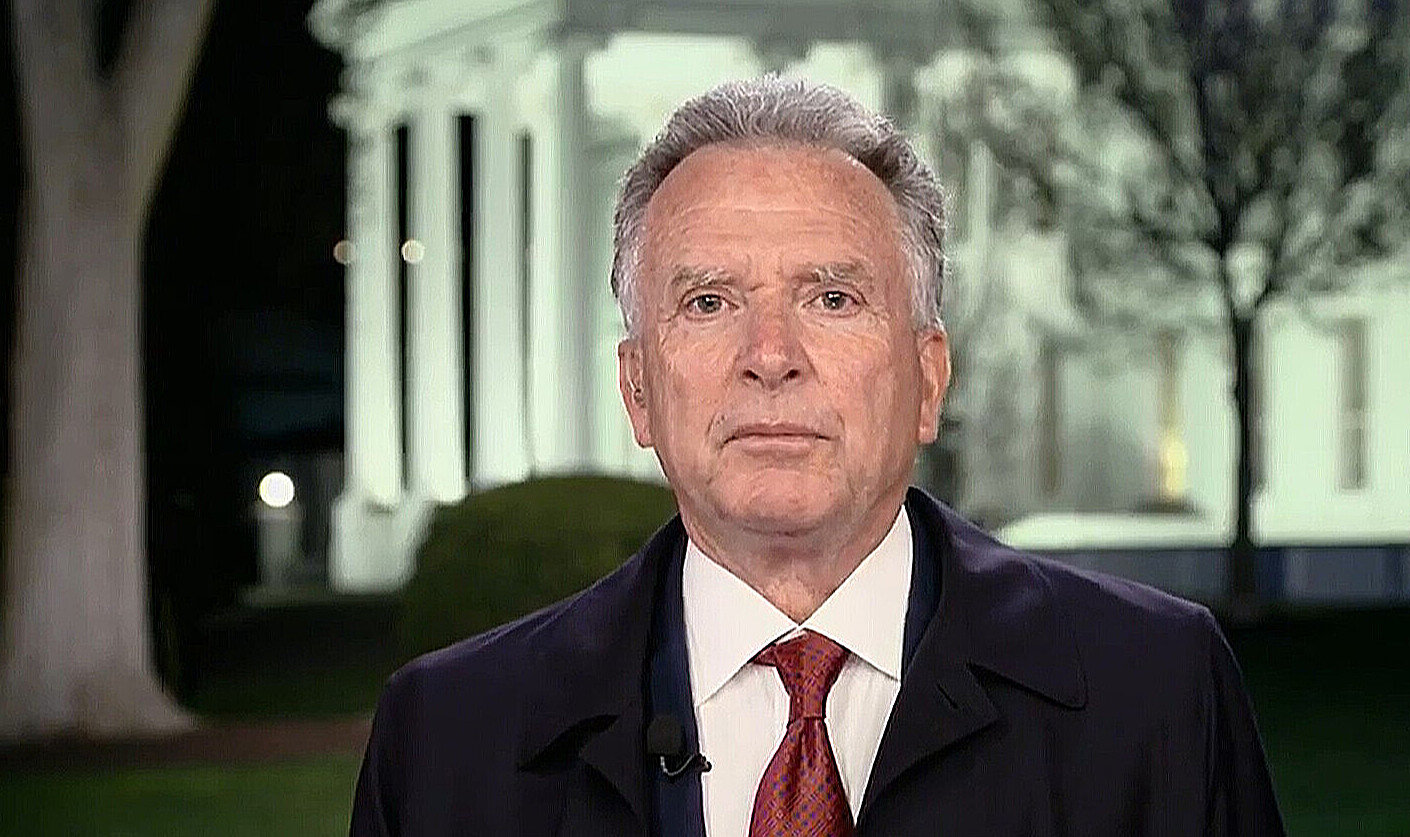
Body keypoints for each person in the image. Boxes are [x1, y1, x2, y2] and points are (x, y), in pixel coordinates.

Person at [349, 75, 1285, 837]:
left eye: (831, 298)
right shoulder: (447, 739)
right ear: (637, 389)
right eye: (708, 302)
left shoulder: (1156, 691)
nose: (769, 355)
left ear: (927, 380)